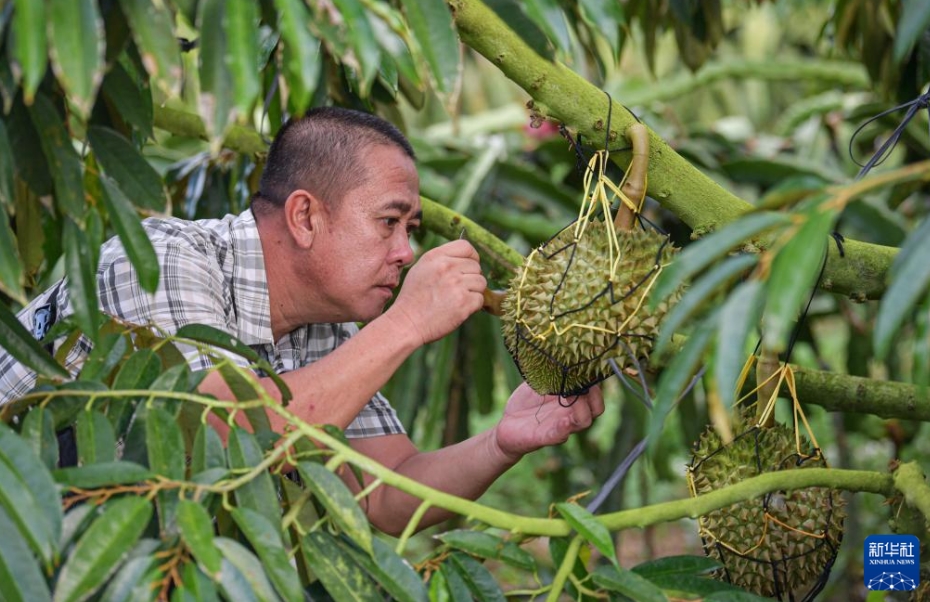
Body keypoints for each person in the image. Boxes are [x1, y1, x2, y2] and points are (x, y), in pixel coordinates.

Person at [0, 107, 604, 535]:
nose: (405, 252)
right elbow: (216, 437)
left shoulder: (326, 325)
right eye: (389, 222)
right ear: (306, 217)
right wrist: (406, 324)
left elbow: (386, 492)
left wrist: (504, 442)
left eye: (411, 230)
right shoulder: (161, 257)